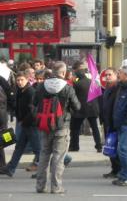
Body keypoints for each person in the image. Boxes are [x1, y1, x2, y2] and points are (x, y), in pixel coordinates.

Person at [34, 61, 81, 194]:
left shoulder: (42, 86)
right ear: (63, 73)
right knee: (58, 157)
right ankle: (56, 187)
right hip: (61, 126)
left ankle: (40, 186)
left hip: (45, 125)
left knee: (43, 155)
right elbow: (77, 107)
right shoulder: (67, 87)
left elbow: (34, 103)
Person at [0, 72, 39, 177]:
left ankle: (42, 171)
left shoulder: (30, 92)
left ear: (27, 80)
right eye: (18, 80)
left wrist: (23, 121)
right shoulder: (20, 91)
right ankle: (10, 168)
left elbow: (33, 112)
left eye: (22, 80)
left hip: (31, 125)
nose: (19, 82)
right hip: (25, 124)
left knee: (38, 149)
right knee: (19, 147)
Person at [69, 61, 102, 153]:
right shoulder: (92, 82)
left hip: (80, 109)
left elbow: (73, 95)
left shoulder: (77, 83)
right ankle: (99, 145)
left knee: (75, 128)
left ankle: (74, 146)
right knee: (94, 128)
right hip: (92, 108)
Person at [101, 68, 121, 179]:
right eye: (106, 75)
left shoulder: (118, 88)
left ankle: (119, 169)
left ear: (116, 75)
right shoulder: (107, 88)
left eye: (110, 75)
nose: (107, 77)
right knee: (110, 147)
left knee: (115, 147)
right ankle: (114, 169)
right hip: (107, 122)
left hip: (114, 123)